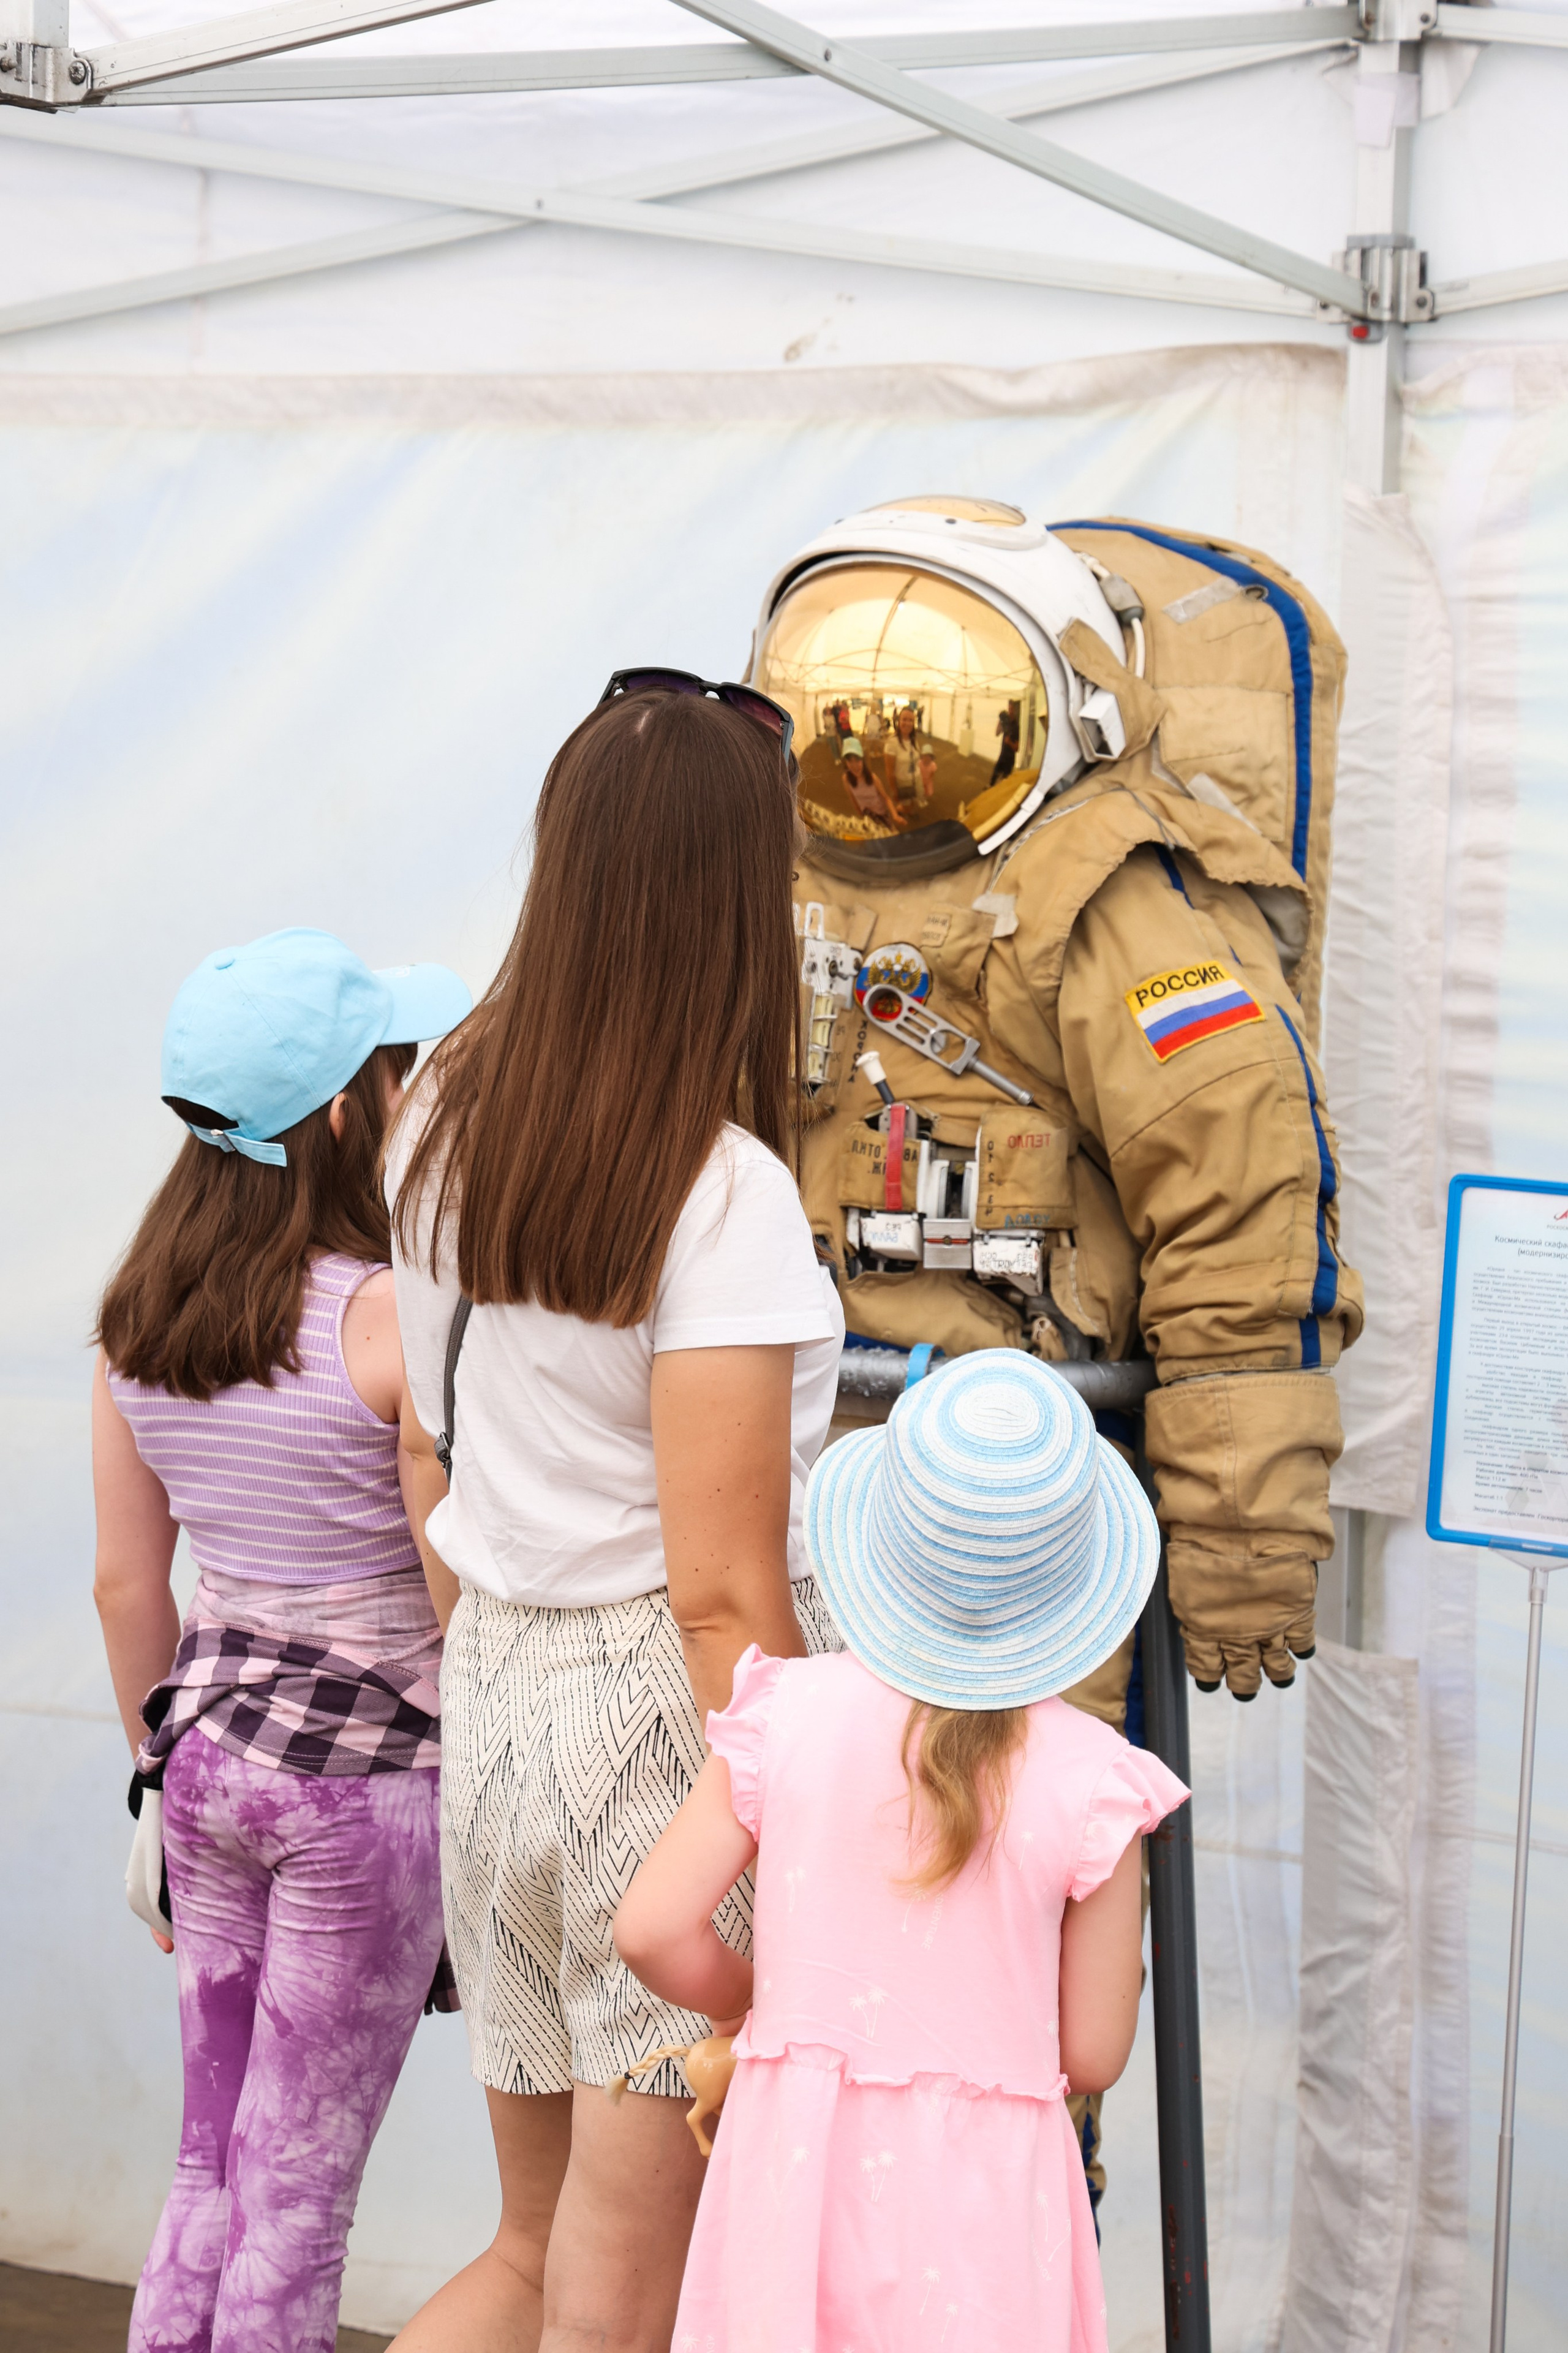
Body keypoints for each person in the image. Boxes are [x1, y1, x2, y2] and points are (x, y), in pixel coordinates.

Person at [384, 678, 844, 2353]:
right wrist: (822, 1817)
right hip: (665, 1736)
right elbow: (725, 1593)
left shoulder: (440, 1100)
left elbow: (431, 1443)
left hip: (497, 1689)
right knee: (625, 2300)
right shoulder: (717, 1188)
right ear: (735, 894)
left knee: (531, 2252)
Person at [614, 1350, 1187, 2352]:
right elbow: (1094, 2048)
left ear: (882, 1542)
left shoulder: (784, 1713)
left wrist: (762, 2003)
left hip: (795, 2168)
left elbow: (653, 1926)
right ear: (1072, 1584)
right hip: (986, 2206)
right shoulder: (1095, 1778)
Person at [92, 926, 472, 2353]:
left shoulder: (140, 1325)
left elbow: (126, 1587)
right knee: (299, 2193)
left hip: (205, 1770)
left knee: (209, 2166)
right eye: (392, 1069)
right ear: (339, 1113)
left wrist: (158, 1753)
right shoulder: (389, 1319)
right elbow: (453, 1595)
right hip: (367, 1791)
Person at [840, 734, 903, 829]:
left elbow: (886, 799)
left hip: (881, 814)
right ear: (846, 762)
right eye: (850, 761)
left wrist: (895, 815)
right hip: (867, 815)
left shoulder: (873, 778)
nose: (855, 766)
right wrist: (861, 814)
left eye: (857, 760)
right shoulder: (846, 779)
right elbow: (853, 799)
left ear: (862, 760)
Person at [883, 701, 922, 812]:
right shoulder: (892, 743)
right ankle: (901, 811)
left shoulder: (913, 739)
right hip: (903, 783)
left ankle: (908, 810)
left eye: (911, 720)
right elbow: (889, 772)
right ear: (898, 721)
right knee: (906, 806)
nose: (908, 723)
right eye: (905, 719)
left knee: (915, 801)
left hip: (916, 779)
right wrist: (895, 791)